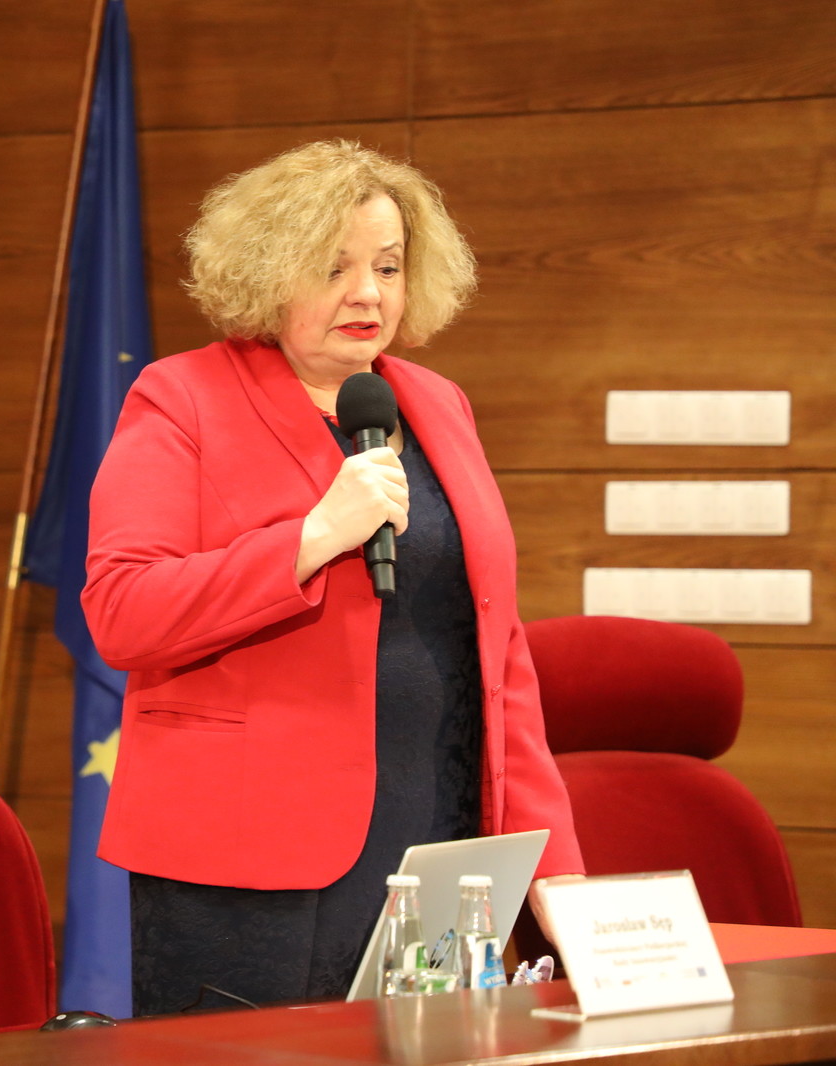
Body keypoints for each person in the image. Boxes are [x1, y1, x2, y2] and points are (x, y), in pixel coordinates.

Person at [81, 140, 584, 1013]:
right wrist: (309, 539)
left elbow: (497, 653)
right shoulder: (181, 398)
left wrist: (554, 859)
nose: (369, 294)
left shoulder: (437, 404)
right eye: (333, 267)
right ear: (266, 272)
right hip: (248, 863)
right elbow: (123, 611)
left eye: (388, 267)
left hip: (438, 839)